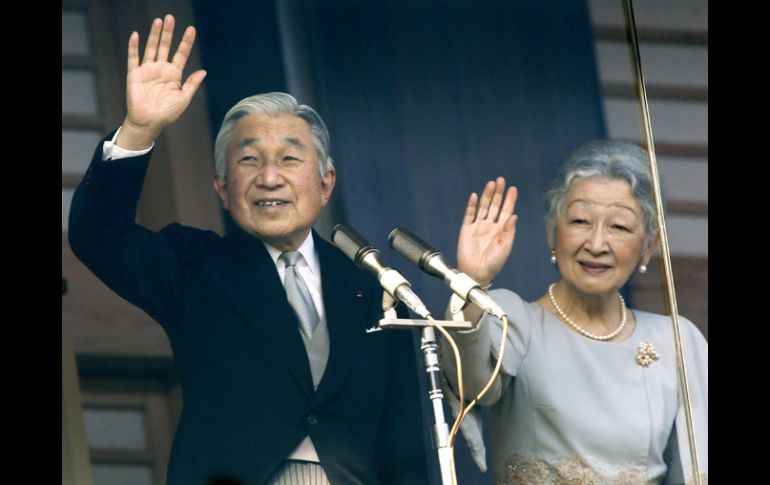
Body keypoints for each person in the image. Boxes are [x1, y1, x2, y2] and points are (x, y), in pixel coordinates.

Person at [69, 14, 428, 485]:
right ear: (222, 187)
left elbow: (403, 448)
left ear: (325, 184)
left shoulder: (376, 289)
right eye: (249, 160)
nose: (269, 177)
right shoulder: (195, 269)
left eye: (289, 158)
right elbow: (99, 236)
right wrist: (139, 129)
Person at [439, 140, 707, 484]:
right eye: (580, 221)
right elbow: (471, 383)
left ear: (648, 247)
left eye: (619, 227)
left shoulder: (677, 340)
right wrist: (472, 283)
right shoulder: (510, 319)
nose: (596, 244)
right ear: (553, 233)